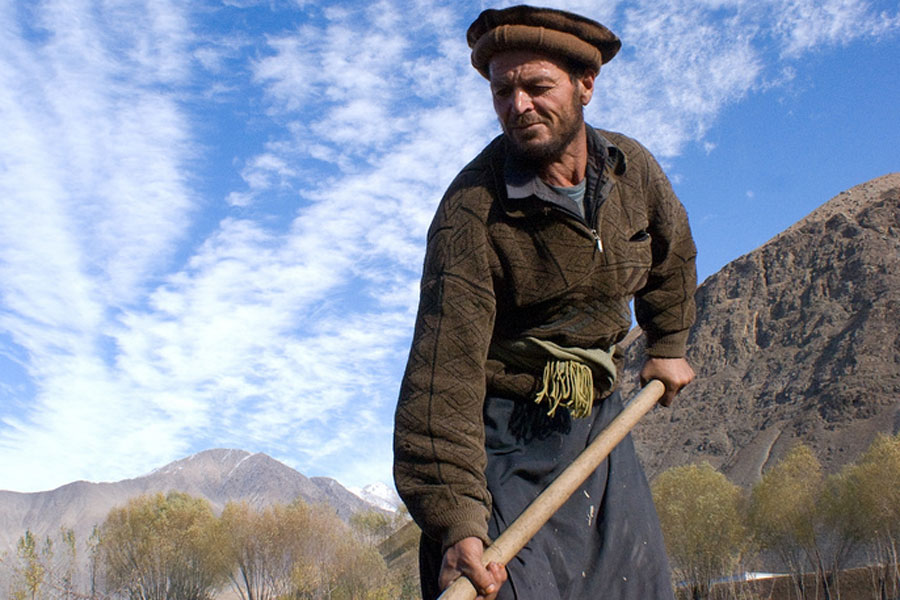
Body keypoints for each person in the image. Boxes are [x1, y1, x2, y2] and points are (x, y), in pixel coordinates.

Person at [393, 5, 697, 599]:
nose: (519, 104)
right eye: (502, 90)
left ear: (586, 85)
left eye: (537, 86)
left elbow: (673, 254)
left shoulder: (632, 173)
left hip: (599, 417)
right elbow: (442, 377)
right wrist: (458, 523)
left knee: (635, 586)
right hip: (505, 435)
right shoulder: (472, 213)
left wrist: (668, 343)